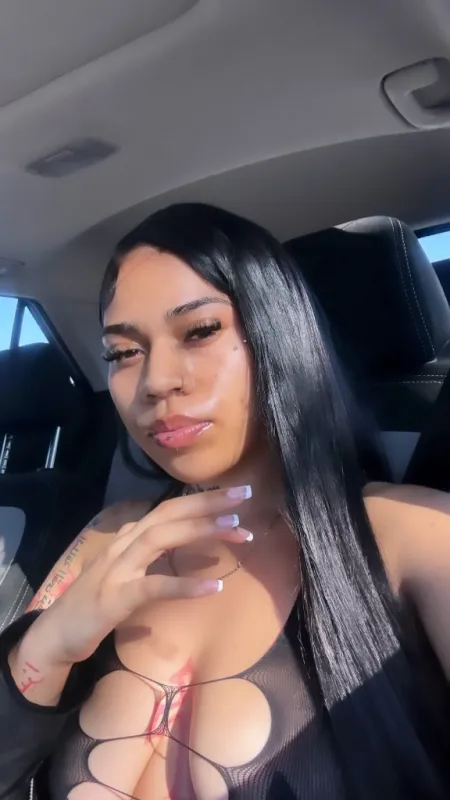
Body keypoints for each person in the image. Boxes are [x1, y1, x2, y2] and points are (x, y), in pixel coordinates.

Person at [1, 203, 450, 800]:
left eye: (200, 331)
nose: (156, 380)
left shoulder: (416, 535)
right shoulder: (110, 535)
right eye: (123, 352)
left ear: (277, 333)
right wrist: (50, 645)